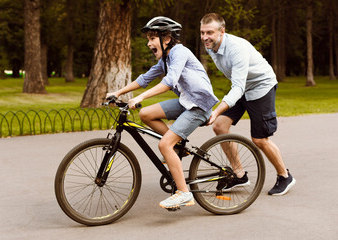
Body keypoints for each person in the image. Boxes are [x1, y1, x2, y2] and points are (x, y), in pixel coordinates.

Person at [106, 16, 219, 209]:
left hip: (198, 105)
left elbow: (168, 83)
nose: (149, 43)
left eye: (152, 38)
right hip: (186, 102)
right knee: (146, 114)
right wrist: (118, 92)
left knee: (164, 144)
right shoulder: (166, 59)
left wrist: (140, 98)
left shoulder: (179, 52)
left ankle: (184, 193)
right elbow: (144, 79)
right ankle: (177, 148)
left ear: (166, 38)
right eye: (148, 39)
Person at [200, 13, 295, 196]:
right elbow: (237, 84)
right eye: (202, 33)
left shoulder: (236, 48)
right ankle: (239, 174)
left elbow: (237, 86)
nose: (205, 37)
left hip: (261, 86)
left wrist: (217, 109)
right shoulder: (212, 47)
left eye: (209, 32)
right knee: (220, 126)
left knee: (259, 139)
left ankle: (285, 176)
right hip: (242, 87)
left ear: (222, 31)